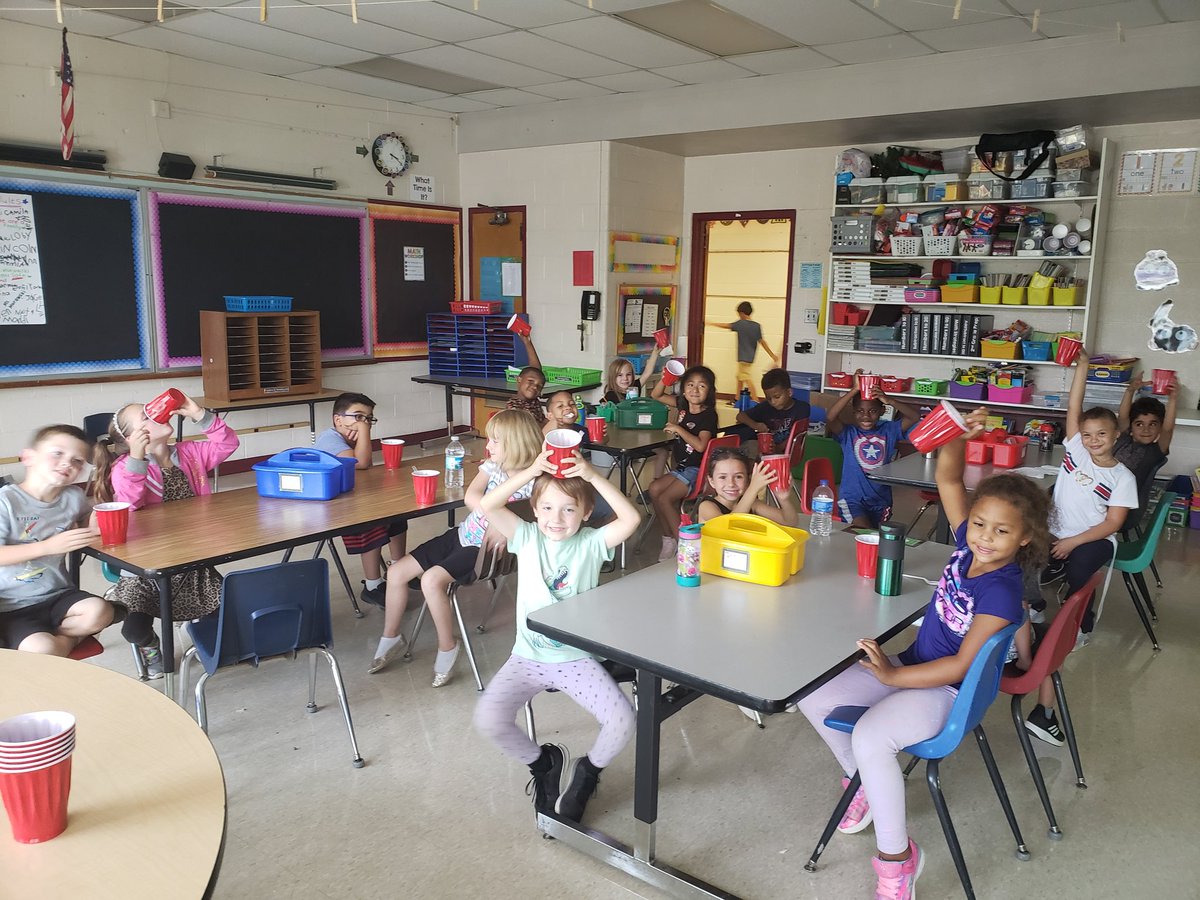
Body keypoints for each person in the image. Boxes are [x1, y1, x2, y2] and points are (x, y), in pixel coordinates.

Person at [797, 406, 1050, 900]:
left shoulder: (1000, 591)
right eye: (980, 523)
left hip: (949, 692)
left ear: (1025, 538)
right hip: (916, 669)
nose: (985, 537)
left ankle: (898, 862)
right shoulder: (967, 547)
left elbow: (960, 665)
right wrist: (959, 435)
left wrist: (891, 677)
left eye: (1001, 531)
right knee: (810, 691)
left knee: (871, 736)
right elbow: (950, 479)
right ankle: (862, 781)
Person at [472, 446, 640, 824]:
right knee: (489, 719)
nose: (556, 518)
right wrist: (533, 470)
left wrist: (592, 475)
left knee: (622, 721)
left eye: (568, 509)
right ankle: (544, 763)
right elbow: (488, 504)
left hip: (574, 660)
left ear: (586, 513)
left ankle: (587, 772)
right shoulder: (526, 537)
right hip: (527, 657)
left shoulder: (592, 544)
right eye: (547, 507)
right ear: (534, 510)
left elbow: (631, 518)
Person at [369, 409, 544, 684]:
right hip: (462, 535)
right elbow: (471, 496)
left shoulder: (537, 483)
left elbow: (531, 523)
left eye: (495, 440)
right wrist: (495, 514)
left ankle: (448, 646)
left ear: (515, 442)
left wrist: (501, 519)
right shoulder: (493, 466)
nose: (488, 445)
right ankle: (391, 637)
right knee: (396, 572)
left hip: (485, 552)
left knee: (430, 580)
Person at [92, 392, 240, 677]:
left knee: (226, 610)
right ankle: (151, 646)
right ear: (132, 437)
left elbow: (228, 444)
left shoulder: (189, 453)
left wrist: (199, 414)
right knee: (134, 629)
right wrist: (137, 457)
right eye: (145, 416)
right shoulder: (124, 468)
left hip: (191, 558)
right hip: (146, 566)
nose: (156, 414)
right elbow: (130, 505)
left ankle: (198, 634)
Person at [1036, 347, 1138, 649]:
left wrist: (1072, 542)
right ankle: (1034, 608)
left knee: (1080, 570)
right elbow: (1074, 405)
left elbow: (1113, 524)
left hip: (1094, 539)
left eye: (1101, 434)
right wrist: (1082, 365)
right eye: (1088, 434)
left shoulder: (1122, 477)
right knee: (1023, 554)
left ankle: (1081, 625)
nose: (1093, 440)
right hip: (1055, 530)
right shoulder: (1076, 451)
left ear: (1116, 435)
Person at [0, 426, 113, 656]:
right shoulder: (6, 501)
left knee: (101, 611)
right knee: (42, 648)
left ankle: (55, 642)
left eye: (77, 460)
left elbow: (85, 523)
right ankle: (60, 642)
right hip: (12, 605)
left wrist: (92, 526)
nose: (67, 463)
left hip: (59, 594)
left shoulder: (74, 497)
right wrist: (48, 547)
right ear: (28, 457)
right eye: (57, 453)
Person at [315, 392, 407, 608]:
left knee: (397, 514)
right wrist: (365, 430)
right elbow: (363, 463)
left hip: (348, 496)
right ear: (338, 420)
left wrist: (361, 429)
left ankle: (400, 569)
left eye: (368, 418)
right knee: (371, 519)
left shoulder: (351, 438)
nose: (364, 423)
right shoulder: (329, 438)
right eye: (358, 417)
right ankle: (372, 586)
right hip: (329, 505)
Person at [824, 371, 922, 528]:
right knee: (863, 530)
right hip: (852, 499)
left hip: (881, 500)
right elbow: (830, 417)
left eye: (873, 411)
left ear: (882, 411)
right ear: (854, 412)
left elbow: (914, 417)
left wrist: (889, 400)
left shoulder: (889, 430)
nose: (866, 416)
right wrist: (854, 390)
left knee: (874, 537)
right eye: (860, 411)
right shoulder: (848, 434)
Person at [649, 365, 717, 561]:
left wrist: (678, 429)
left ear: (709, 391)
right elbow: (656, 394)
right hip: (682, 469)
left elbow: (701, 446)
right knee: (654, 489)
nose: (695, 390)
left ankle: (686, 546)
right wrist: (666, 378)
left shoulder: (708, 415)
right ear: (683, 389)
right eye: (690, 385)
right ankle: (668, 538)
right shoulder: (682, 406)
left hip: (697, 471)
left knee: (665, 498)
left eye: (702, 386)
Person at [1115, 370, 1179, 518]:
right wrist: (1130, 390)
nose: (1146, 429)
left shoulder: (1155, 452)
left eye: (1152, 424)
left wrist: (1173, 399)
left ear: (1159, 427)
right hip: (1104, 497)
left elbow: (1168, 429)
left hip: (1125, 510)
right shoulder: (1122, 439)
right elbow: (1123, 417)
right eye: (1139, 424)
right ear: (1131, 427)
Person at [696, 448, 797, 527]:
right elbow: (727, 528)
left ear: (747, 479)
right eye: (722, 477)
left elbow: (789, 522)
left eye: (738, 477)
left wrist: (783, 499)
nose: (731, 484)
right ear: (712, 481)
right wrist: (753, 489)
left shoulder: (752, 503)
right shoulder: (707, 506)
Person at [709, 301, 778, 401]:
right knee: (739, 377)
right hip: (750, 357)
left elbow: (727, 325)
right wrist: (772, 355)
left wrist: (712, 323)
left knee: (745, 377)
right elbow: (762, 342)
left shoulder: (740, 324)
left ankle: (755, 399)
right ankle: (737, 398)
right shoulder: (756, 326)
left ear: (742, 313)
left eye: (738, 314)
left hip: (742, 357)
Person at [732, 367, 811, 451]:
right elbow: (740, 416)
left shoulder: (802, 408)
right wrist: (755, 425)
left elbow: (797, 436)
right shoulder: (765, 407)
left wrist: (778, 448)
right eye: (769, 398)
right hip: (767, 450)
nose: (773, 402)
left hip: (789, 452)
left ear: (789, 392)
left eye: (777, 397)